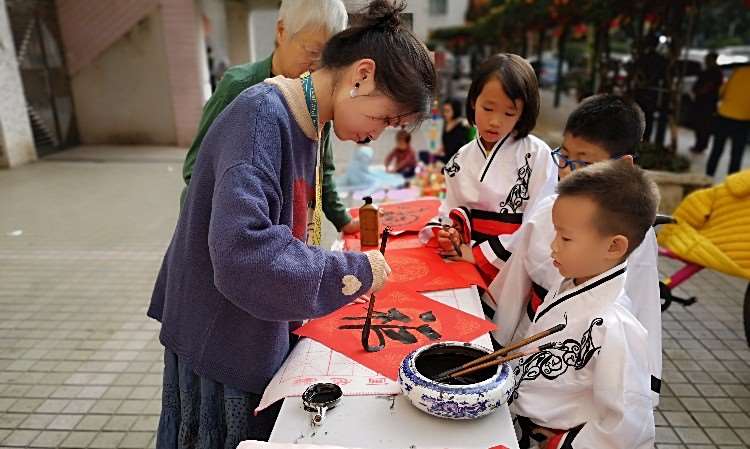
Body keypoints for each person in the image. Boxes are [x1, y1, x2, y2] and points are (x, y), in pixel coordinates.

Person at [148, 1, 436, 447]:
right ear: (361, 75)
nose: (377, 136)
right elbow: (245, 253)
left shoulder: (308, 119)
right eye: (385, 119)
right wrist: (353, 272)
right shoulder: (262, 115)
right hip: (219, 329)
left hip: (244, 318)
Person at [488, 95, 662, 408]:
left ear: (622, 167)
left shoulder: (632, 236)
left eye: (584, 163)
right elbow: (518, 270)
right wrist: (499, 341)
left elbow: (640, 308)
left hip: (579, 358)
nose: (568, 173)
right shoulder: (552, 206)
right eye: (565, 158)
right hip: (532, 333)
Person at [511, 161, 658, 449]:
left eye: (565, 237)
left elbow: (628, 422)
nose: (553, 246)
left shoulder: (615, 326)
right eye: (555, 233)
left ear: (614, 247)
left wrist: (562, 445)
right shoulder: (570, 282)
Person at [182, 0, 360, 234]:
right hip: (235, 233)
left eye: (327, 58)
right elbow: (195, 167)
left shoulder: (316, 97)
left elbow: (321, 169)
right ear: (281, 31)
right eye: (312, 52)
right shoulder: (239, 86)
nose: (318, 67)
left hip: (292, 232)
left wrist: (343, 220)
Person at [429, 53, 557, 284]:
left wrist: (479, 255)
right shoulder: (461, 158)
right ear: (473, 101)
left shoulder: (538, 155)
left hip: (513, 268)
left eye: (509, 113)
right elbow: (452, 210)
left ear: (523, 113)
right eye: (488, 108)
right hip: (465, 262)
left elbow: (538, 223)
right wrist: (452, 235)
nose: (496, 121)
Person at [706, 65, 750, 177]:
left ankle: (707, 178)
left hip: (724, 115)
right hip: (743, 120)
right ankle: (731, 185)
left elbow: (722, 91)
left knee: (716, 150)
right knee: (736, 154)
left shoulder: (738, 71)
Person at [690, 52, 723, 154]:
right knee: (699, 123)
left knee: (704, 125)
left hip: (707, 102)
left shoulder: (716, 72)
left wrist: (700, 91)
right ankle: (699, 144)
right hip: (701, 101)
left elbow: (710, 86)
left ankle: (701, 145)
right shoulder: (708, 71)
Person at [439, 98, 472, 163]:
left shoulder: (462, 125)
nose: (445, 114)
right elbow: (446, 142)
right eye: (444, 111)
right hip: (447, 159)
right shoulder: (446, 123)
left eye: (447, 111)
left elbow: (460, 148)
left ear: (455, 110)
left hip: (458, 162)